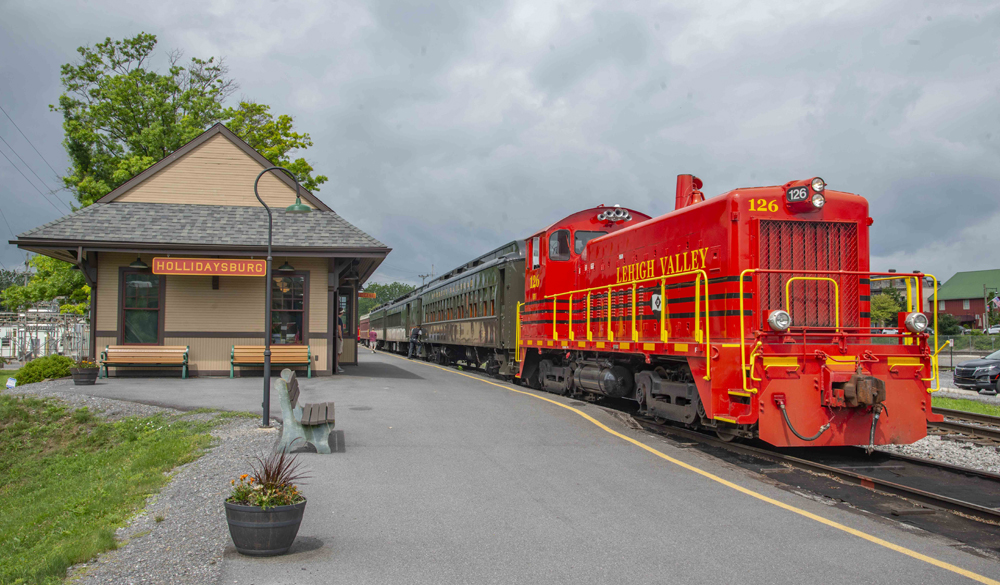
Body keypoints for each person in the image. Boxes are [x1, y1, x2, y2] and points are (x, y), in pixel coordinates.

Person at [336, 308, 345, 373]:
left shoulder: (336, 319)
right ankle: (337, 366)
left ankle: (336, 365)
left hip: (337, 337)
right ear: (341, 313)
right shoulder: (339, 319)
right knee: (339, 352)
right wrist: (341, 337)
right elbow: (339, 330)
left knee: (338, 352)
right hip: (339, 338)